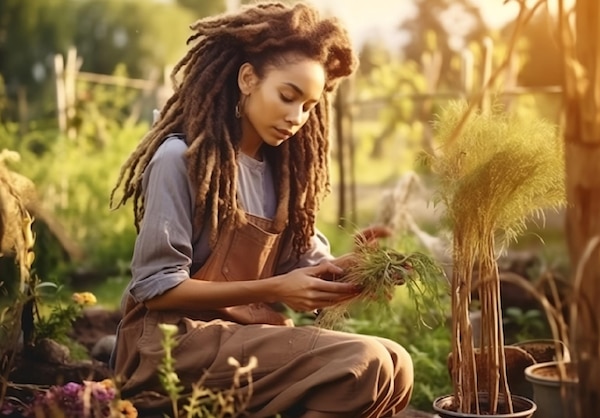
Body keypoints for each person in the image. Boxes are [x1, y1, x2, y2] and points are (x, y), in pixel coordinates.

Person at [109, 2, 414, 417]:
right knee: (365, 362)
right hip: (171, 343)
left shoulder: (283, 175)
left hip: (242, 337)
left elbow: (305, 267)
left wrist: (357, 271)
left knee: (397, 365)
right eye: (288, 97)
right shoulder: (181, 159)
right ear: (248, 78)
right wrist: (275, 289)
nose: (297, 117)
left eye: (309, 106)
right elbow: (157, 289)